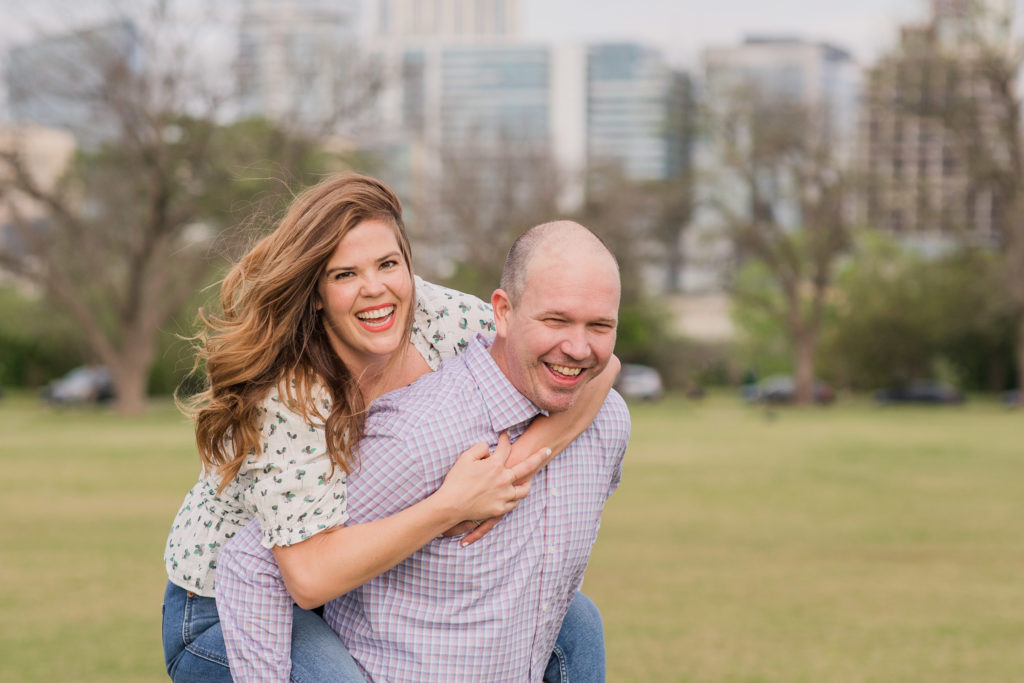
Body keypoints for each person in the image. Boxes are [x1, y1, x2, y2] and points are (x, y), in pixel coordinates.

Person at [161, 175, 617, 682]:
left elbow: (593, 370)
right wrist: (452, 506)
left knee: (574, 624)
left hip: (358, 585)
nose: (374, 288)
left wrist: (505, 474)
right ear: (315, 293)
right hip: (229, 603)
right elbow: (308, 577)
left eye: (387, 264)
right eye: (344, 274)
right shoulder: (292, 394)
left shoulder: (444, 320)